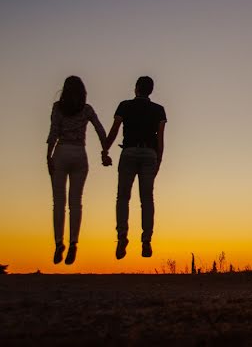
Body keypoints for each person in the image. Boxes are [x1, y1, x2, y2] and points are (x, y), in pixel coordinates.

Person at [102, 76, 167, 259]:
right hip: (149, 154)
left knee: (123, 197)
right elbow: (160, 137)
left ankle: (122, 235)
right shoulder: (158, 110)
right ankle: (146, 239)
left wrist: (105, 149)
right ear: (151, 90)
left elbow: (114, 129)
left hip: (129, 152)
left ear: (136, 88)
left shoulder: (125, 105)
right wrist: (159, 159)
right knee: (147, 199)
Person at [46, 76, 107, 265]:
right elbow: (100, 130)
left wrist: (48, 156)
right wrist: (105, 151)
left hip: (61, 151)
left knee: (58, 203)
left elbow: (53, 132)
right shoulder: (86, 109)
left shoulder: (58, 108)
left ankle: (58, 243)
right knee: (76, 203)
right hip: (79, 153)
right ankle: (73, 242)